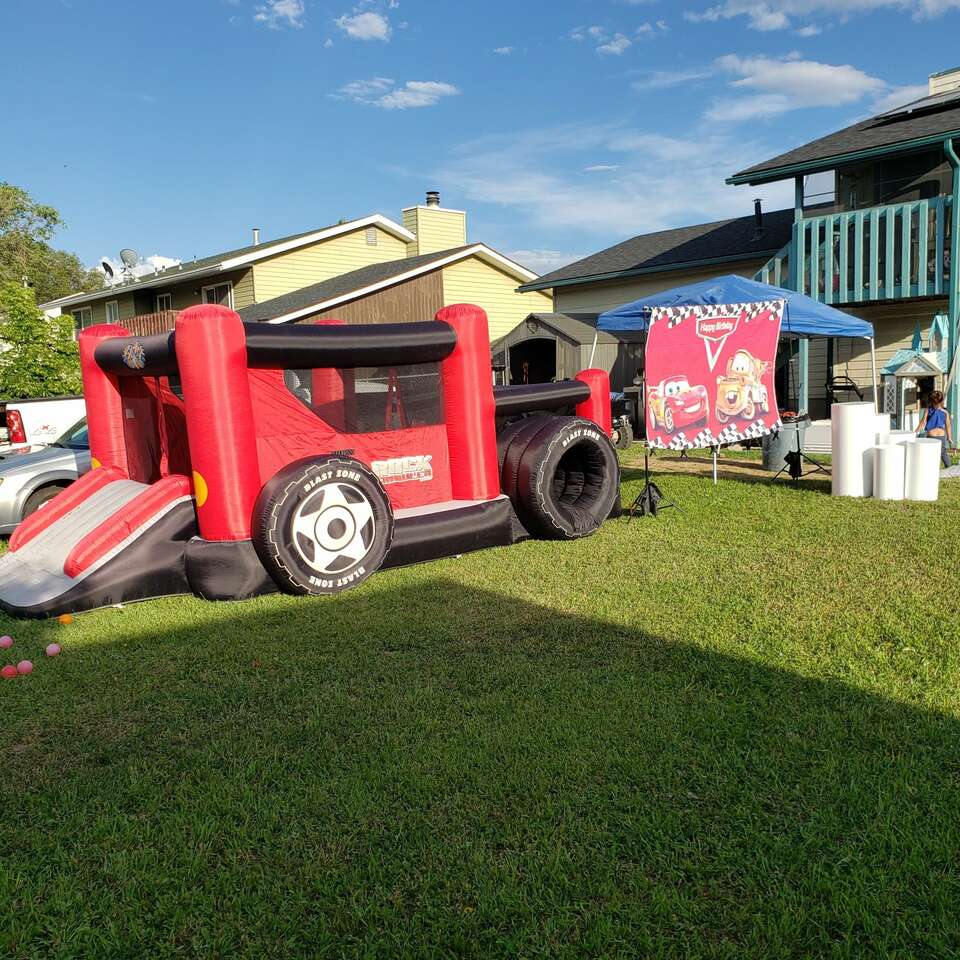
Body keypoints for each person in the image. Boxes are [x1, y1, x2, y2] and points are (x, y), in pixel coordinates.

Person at [917, 390, 954, 469]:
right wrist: (949, 437)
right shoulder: (945, 412)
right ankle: (949, 468)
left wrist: (915, 432)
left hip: (932, 435)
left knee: (930, 453)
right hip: (941, 435)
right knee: (943, 453)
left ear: (931, 400)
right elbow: (948, 425)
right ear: (941, 401)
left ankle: (929, 468)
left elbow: (923, 422)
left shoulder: (928, 410)